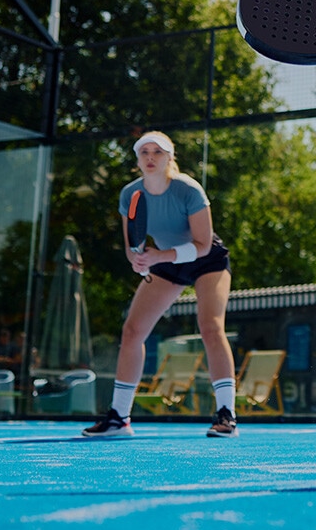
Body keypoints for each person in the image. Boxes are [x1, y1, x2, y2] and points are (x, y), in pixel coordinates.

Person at [83, 131, 238, 438]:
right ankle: (119, 418)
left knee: (210, 327)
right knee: (132, 331)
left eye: (158, 152)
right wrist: (138, 260)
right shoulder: (130, 194)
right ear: (138, 160)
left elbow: (204, 245)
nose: (150, 157)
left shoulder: (188, 190)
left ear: (170, 158)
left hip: (207, 259)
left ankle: (226, 415)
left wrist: (157, 256)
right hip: (164, 260)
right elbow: (132, 246)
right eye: (144, 153)